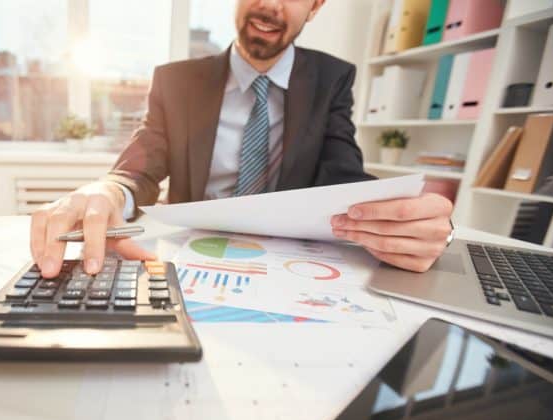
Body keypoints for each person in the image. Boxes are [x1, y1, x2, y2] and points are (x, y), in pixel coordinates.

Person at [31, 0, 454, 278]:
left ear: (316, 6)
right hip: (186, 259)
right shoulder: (176, 81)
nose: (270, 5)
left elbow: (343, 174)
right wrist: (105, 191)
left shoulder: (332, 80)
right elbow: (140, 164)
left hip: (288, 266)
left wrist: (404, 221)